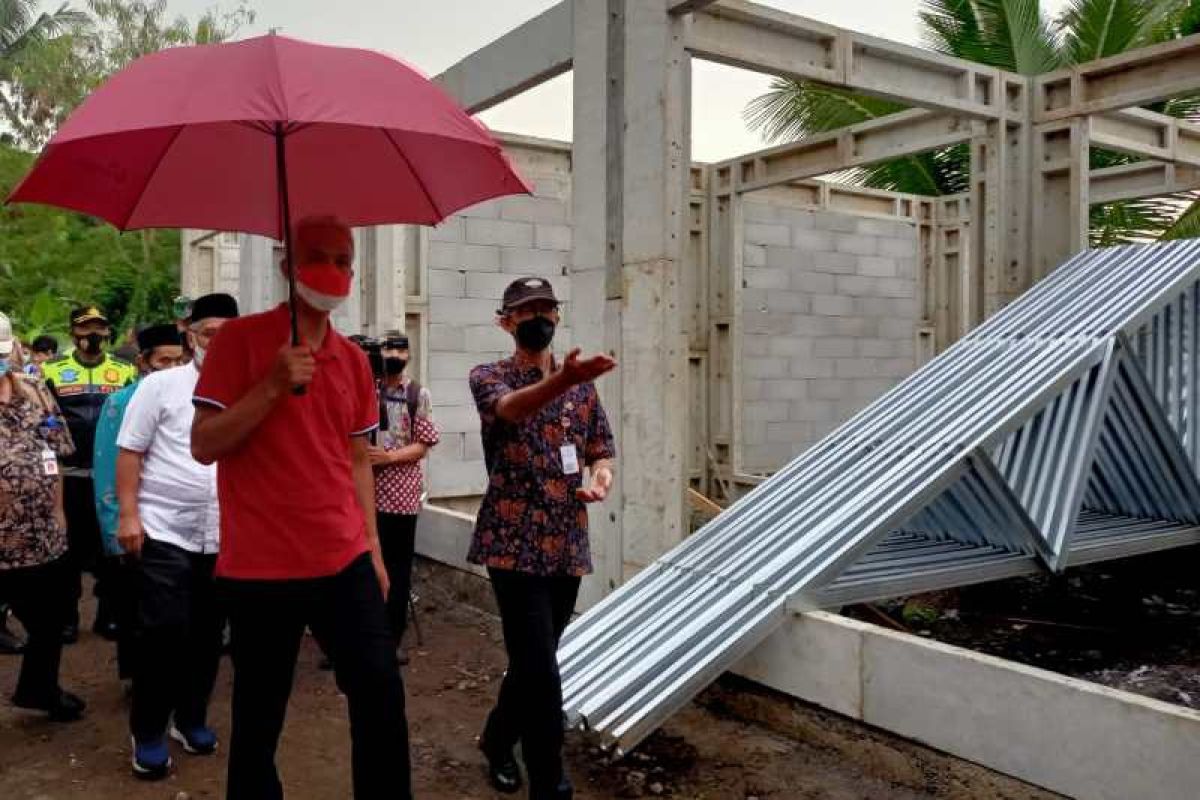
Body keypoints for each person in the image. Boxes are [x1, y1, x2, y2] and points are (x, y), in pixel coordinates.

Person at [191, 216, 411, 800]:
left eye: (343, 260)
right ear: (287, 266)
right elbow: (204, 444)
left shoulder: (354, 360)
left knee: (381, 694)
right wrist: (269, 386)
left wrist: (374, 547)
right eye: (318, 257)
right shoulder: (240, 342)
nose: (332, 271)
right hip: (260, 568)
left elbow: (358, 459)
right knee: (259, 716)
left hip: (344, 559)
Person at [469, 277, 617, 800]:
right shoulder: (488, 376)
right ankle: (549, 778)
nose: (538, 317)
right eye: (525, 310)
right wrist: (561, 380)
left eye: (545, 308)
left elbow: (602, 446)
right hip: (511, 542)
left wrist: (601, 476)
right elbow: (511, 409)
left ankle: (497, 738)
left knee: (538, 657)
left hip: (567, 540)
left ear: (557, 315)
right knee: (538, 665)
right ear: (505, 321)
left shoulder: (582, 386)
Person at [117, 294, 238, 780]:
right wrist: (128, 515)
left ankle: (190, 719)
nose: (219, 343)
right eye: (210, 333)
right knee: (164, 633)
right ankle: (147, 730)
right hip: (164, 529)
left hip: (224, 535)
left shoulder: (246, 390)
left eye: (230, 335)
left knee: (208, 637)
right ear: (189, 333)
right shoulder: (162, 386)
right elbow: (131, 451)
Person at [0, 311, 85, 721]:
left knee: (49, 620)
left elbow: (56, 449)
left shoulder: (33, 390)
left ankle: (39, 689)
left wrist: (58, 511)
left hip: (40, 534)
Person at [93, 323, 187, 684]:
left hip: (177, 524)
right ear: (143, 362)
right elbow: (106, 468)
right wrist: (116, 525)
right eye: (164, 360)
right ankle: (139, 679)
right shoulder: (119, 403)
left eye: (178, 360)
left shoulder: (191, 399)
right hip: (135, 523)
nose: (171, 368)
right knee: (135, 608)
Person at [42, 306, 137, 643]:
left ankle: (108, 614)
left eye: (98, 328)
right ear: (73, 333)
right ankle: (66, 617)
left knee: (111, 548)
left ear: (108, 332)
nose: (92, 335)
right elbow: (43, 416)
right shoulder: (52, 370)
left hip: (109, 476)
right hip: (69, 474)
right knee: (67, 551)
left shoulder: (124, 371)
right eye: (85, 329)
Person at [366, 332, 439, 653]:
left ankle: (390, 641)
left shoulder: (416, 393)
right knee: (365, 566)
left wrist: (388, 458)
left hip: (401, 497)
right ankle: (360, 638)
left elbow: (423, 446)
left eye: (399, 349)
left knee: (396, 569)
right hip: (366, 492)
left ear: (408, 355)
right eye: (387, 348)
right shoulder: (368, 389)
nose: (393, 354)